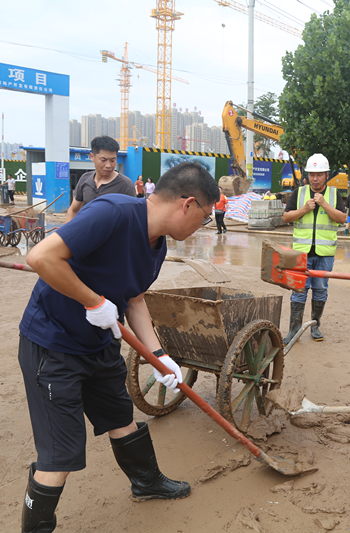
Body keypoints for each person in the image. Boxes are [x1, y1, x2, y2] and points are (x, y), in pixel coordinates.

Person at [17, 161, 218, 533]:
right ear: (187, 204)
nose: (201, 226)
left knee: (119, 417)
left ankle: (147, 482)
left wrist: (159, 357)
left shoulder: (156, 244)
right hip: (53, 343)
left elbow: (134, 299)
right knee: (60, 454)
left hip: (98, 343)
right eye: (205, 217)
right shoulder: (112, 213)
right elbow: (41, 258)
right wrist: (93, 301)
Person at [282, 153, 346, 343]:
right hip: (301, 253)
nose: (315, 178)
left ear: (327, 175)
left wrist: (324, 204)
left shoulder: (334, 195)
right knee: (298, 291)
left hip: (324, 254)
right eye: (312, 174)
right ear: (307, 175)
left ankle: (314, 327)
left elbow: (342, 219)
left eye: (319, 174)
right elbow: (286, 217)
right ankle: (294, 331)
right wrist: (304, 209)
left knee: (320, 290)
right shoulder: (299, 193)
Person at [66, 136, 135, 222]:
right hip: (87, 233)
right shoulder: (85, 179)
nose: (108, 165)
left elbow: (132, 218)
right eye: (103, 160)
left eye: (113, 160)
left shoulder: (125, 185)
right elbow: (73, 210)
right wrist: (67, 234)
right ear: (92, 157)